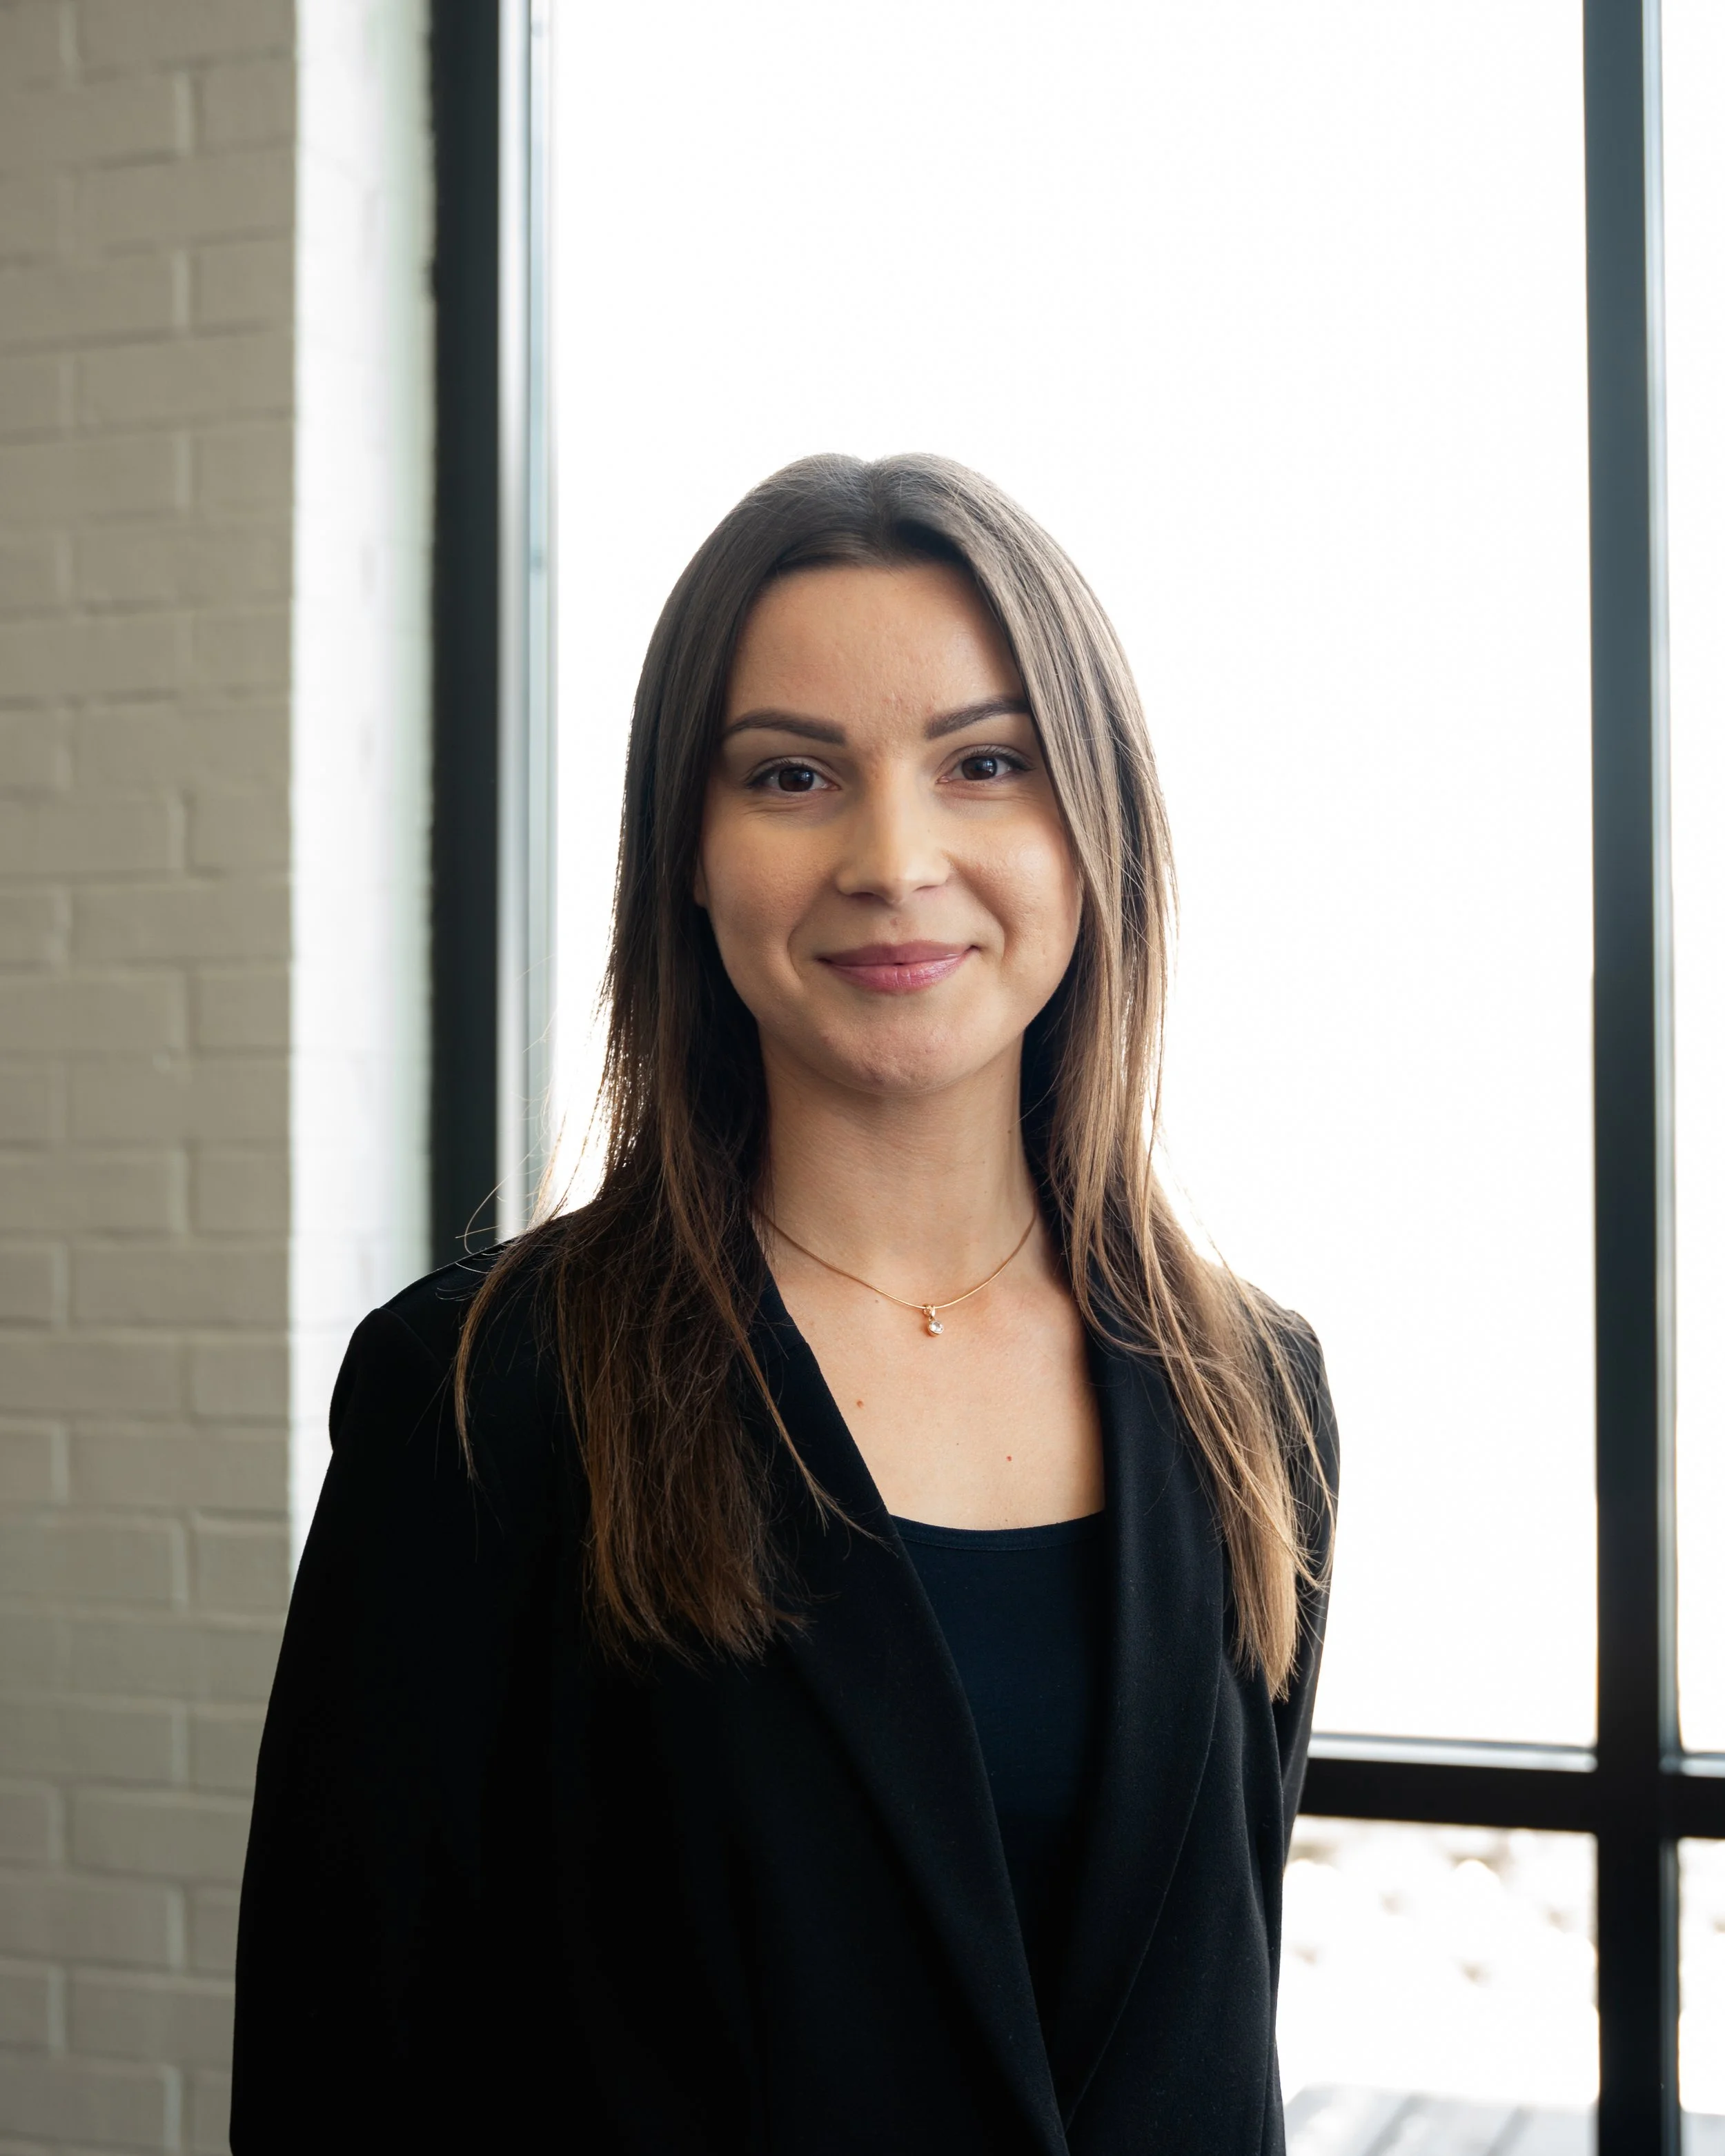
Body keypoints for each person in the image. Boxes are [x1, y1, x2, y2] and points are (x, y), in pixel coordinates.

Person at [231, 453, 1338, 2154]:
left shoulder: (1251, 1395)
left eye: (985, 762)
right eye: (792, 773)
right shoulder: (484, 1393)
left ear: (1091, 826)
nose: (893, 859)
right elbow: (343, 2074)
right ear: (686, 848)